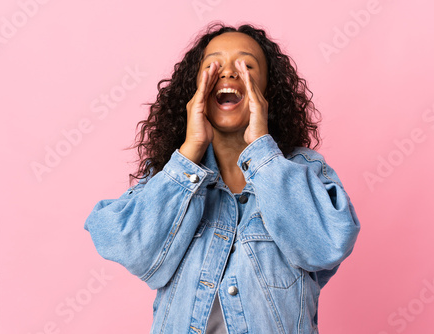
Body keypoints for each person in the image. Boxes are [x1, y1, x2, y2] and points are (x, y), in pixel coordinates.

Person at [84, 21, 361, 334]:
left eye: (246, 65)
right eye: (214, 65)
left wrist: (260, 148)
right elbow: (128, 246)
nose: (228, 72)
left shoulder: (304, 172)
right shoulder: (169, 179)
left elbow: (325, 248)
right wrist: (190, 150)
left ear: (268, 90)